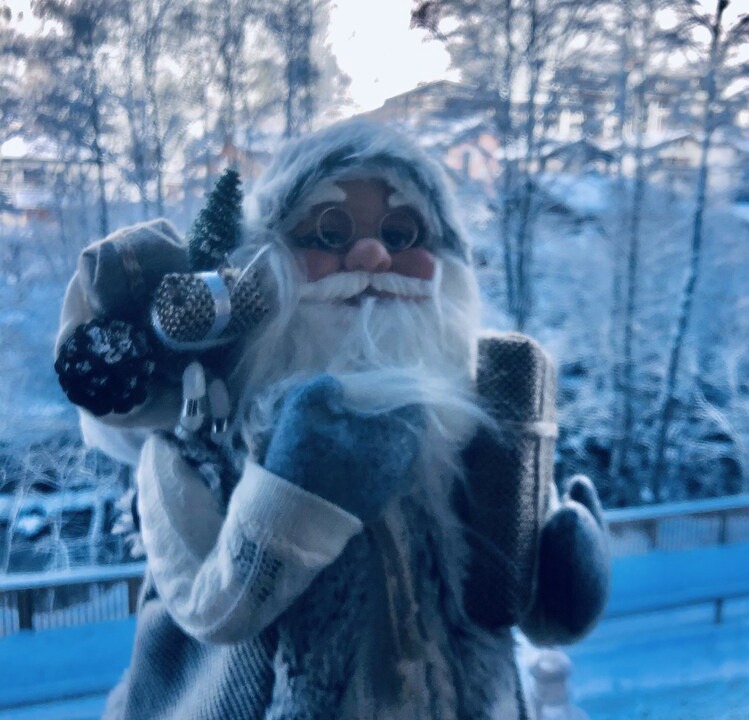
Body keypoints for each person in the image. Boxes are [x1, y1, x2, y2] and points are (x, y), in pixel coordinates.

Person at [58, 118, 610, 720]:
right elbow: (209, 609)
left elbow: (508, 594)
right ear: (267, 260)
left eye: (402, 233)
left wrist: (556, 573)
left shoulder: (467, 418)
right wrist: (298, 492)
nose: (372, 255)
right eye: (329, 231)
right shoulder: (209, 430)